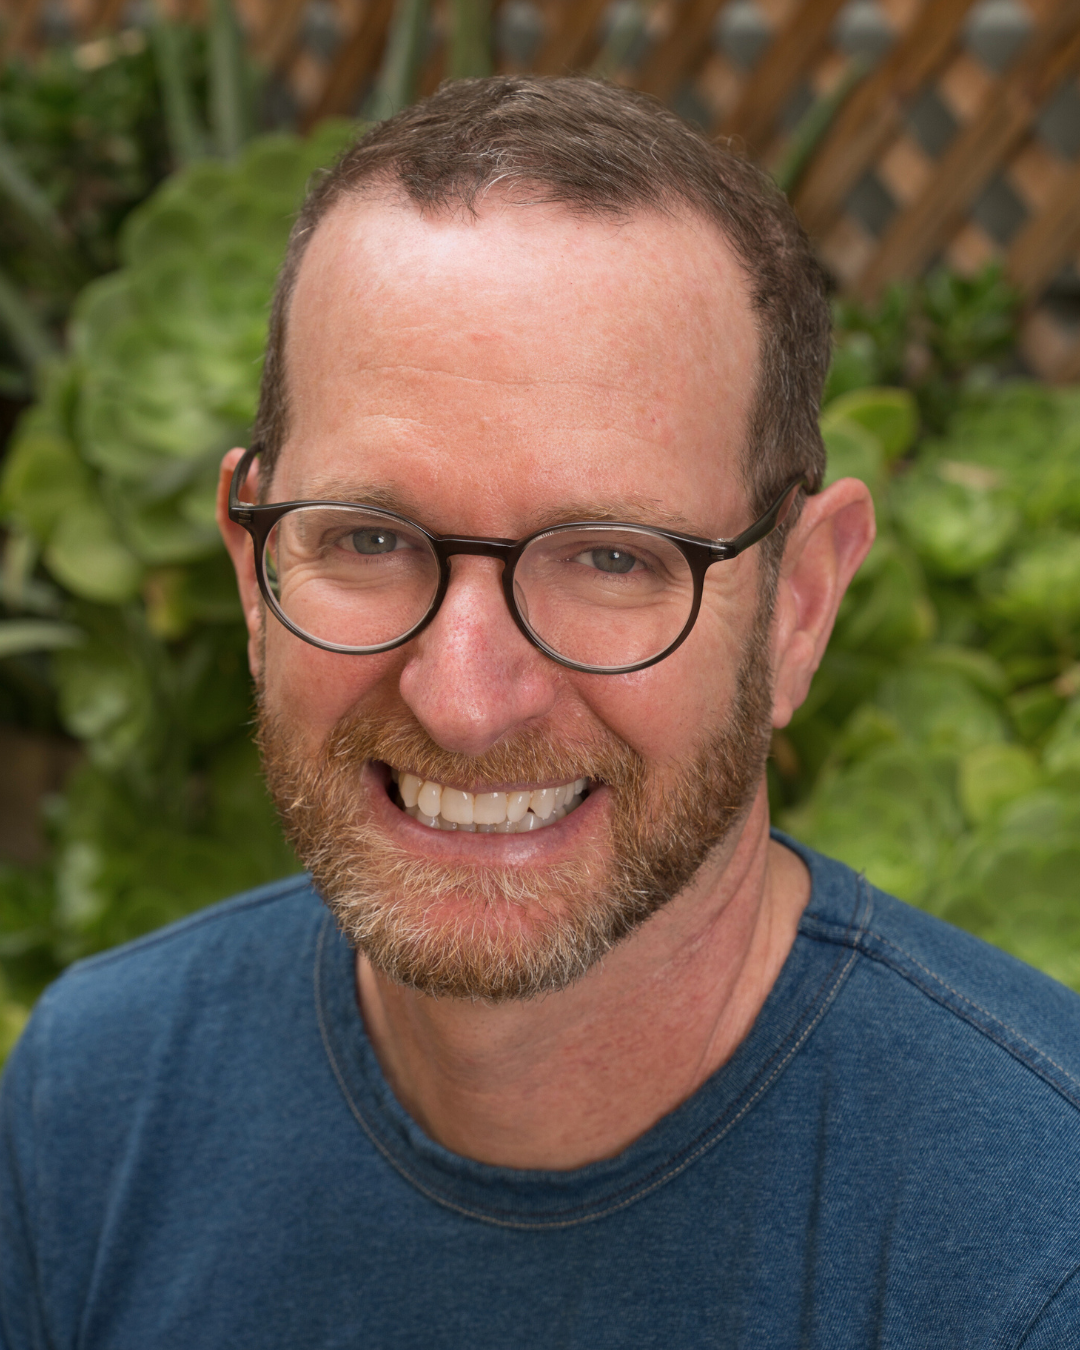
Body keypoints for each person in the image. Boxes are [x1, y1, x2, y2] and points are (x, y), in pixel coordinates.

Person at [3, 76, 1080, 1350]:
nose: (463, 700)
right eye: (366, 535)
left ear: (797, 606)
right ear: (255, 575)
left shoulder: (1038, 1234)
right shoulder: (100, 1098)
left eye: (612, 557)